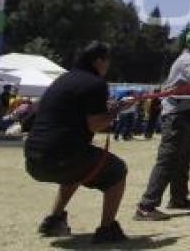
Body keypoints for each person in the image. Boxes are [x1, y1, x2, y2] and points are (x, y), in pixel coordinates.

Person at [24, 41, 132, 244]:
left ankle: (53, 220)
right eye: (107, 61)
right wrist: (117, 111)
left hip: (33, 159)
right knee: (118, 170)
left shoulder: (63, 79)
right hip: (62, 157)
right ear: (99, 61)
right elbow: (95, 125)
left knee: (78, 168)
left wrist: (109, 108)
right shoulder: (96, 83)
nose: (108, 65)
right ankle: (107, 229)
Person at [136, 27, 190, 220]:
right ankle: (146, 205)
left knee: (183, 158)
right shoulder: (187, 62)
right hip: (175, 116)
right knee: (168, 159)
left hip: (183, 114)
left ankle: (178, 198)